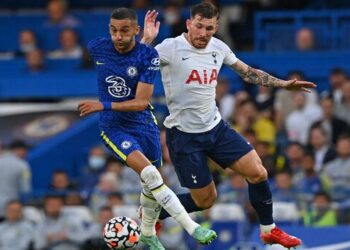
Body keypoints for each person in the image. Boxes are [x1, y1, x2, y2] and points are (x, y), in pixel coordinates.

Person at [141, 2, 316, 248]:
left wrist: (283, 85)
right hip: (185, 137)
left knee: (258, 172)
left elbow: (248, 73)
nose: (203, 33)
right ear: (189, 23)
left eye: (209, 28)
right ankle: (154, 212)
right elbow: (136, 64)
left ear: (216, 27)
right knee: (205, 200)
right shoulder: (170, 47)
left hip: (216, 128)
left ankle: (269, 230)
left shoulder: (219, 47)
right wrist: (146, 41)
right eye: (199, 26)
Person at [77, 8, 216, 250]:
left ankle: (149, 234)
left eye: (124, 31)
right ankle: (193, 228)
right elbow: (124, 61)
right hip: (114, 127)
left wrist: (102, 104)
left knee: (150, 185)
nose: (117, 36)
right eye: (113, 30)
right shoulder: (97, 47)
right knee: (151, 175)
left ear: (136, 30)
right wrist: (142, 43)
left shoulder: (149, 56)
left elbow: (141, 102)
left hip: (143, 123)